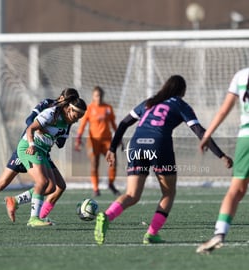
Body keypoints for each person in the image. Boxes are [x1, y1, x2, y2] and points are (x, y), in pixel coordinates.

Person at [93, 75, 233, 245]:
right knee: (168, 193)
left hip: (136, 144)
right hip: (158, 145)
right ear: (182, 91)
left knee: (131, 194)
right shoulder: (180, 104)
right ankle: (151, 234)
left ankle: (107, 216)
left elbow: (123, 123)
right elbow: (199, 131)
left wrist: (112, 148)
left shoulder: (149, 102)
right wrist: (221, 155)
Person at [0, 89, 85, 226]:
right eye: (76, 115)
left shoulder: (67, 121)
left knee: (54, 186)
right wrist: (36, 136)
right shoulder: (49, 107)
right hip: (29, 148)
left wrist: (57, 131)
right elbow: (30, 122)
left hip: (42, 151)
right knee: (2, 184)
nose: (77, 119)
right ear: (67, 103)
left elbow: (60, 143)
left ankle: (25, 207)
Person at [196, 67, 249, 254]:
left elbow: (223, 110)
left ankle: (220, 233)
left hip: (245, 138)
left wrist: (207, 135)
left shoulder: (241, 76)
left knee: (236, 190)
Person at [74, 86, 120, 196]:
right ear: (93, 97)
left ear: (102, 96)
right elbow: (83, 125)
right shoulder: (89, 108)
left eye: (99, 95)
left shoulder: (108, 108)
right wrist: (78, 139)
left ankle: (111, 184)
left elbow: (113, 124)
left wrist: (119, 137)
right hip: (93, 141)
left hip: (107, 141)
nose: (98, 98)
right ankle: (95, 188)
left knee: (112, 162)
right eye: (96, 96)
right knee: (95, 163)